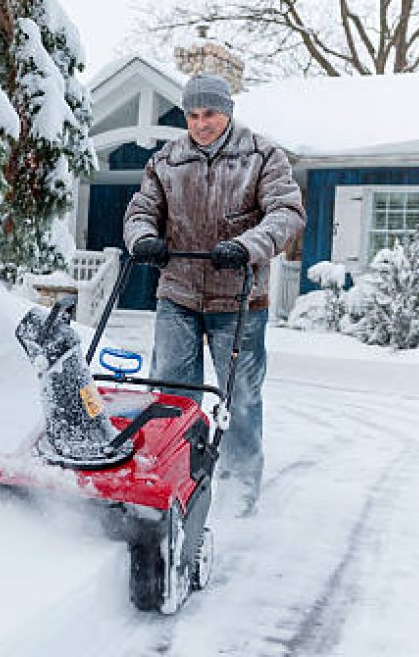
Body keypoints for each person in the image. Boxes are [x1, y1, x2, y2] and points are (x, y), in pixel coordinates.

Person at [123, 72, 305, 516]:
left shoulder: (263, 156)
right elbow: (141, 210)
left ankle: (239, 495)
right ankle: (167, 479)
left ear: (228, 111)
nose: (201, 123)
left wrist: (246, 247)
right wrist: (142, 237)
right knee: (171, 394)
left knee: (239, 399)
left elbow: (287, 212)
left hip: (239, 299)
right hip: (179, 294)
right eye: (193, 115)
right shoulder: (167, 159)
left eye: (210, 113)